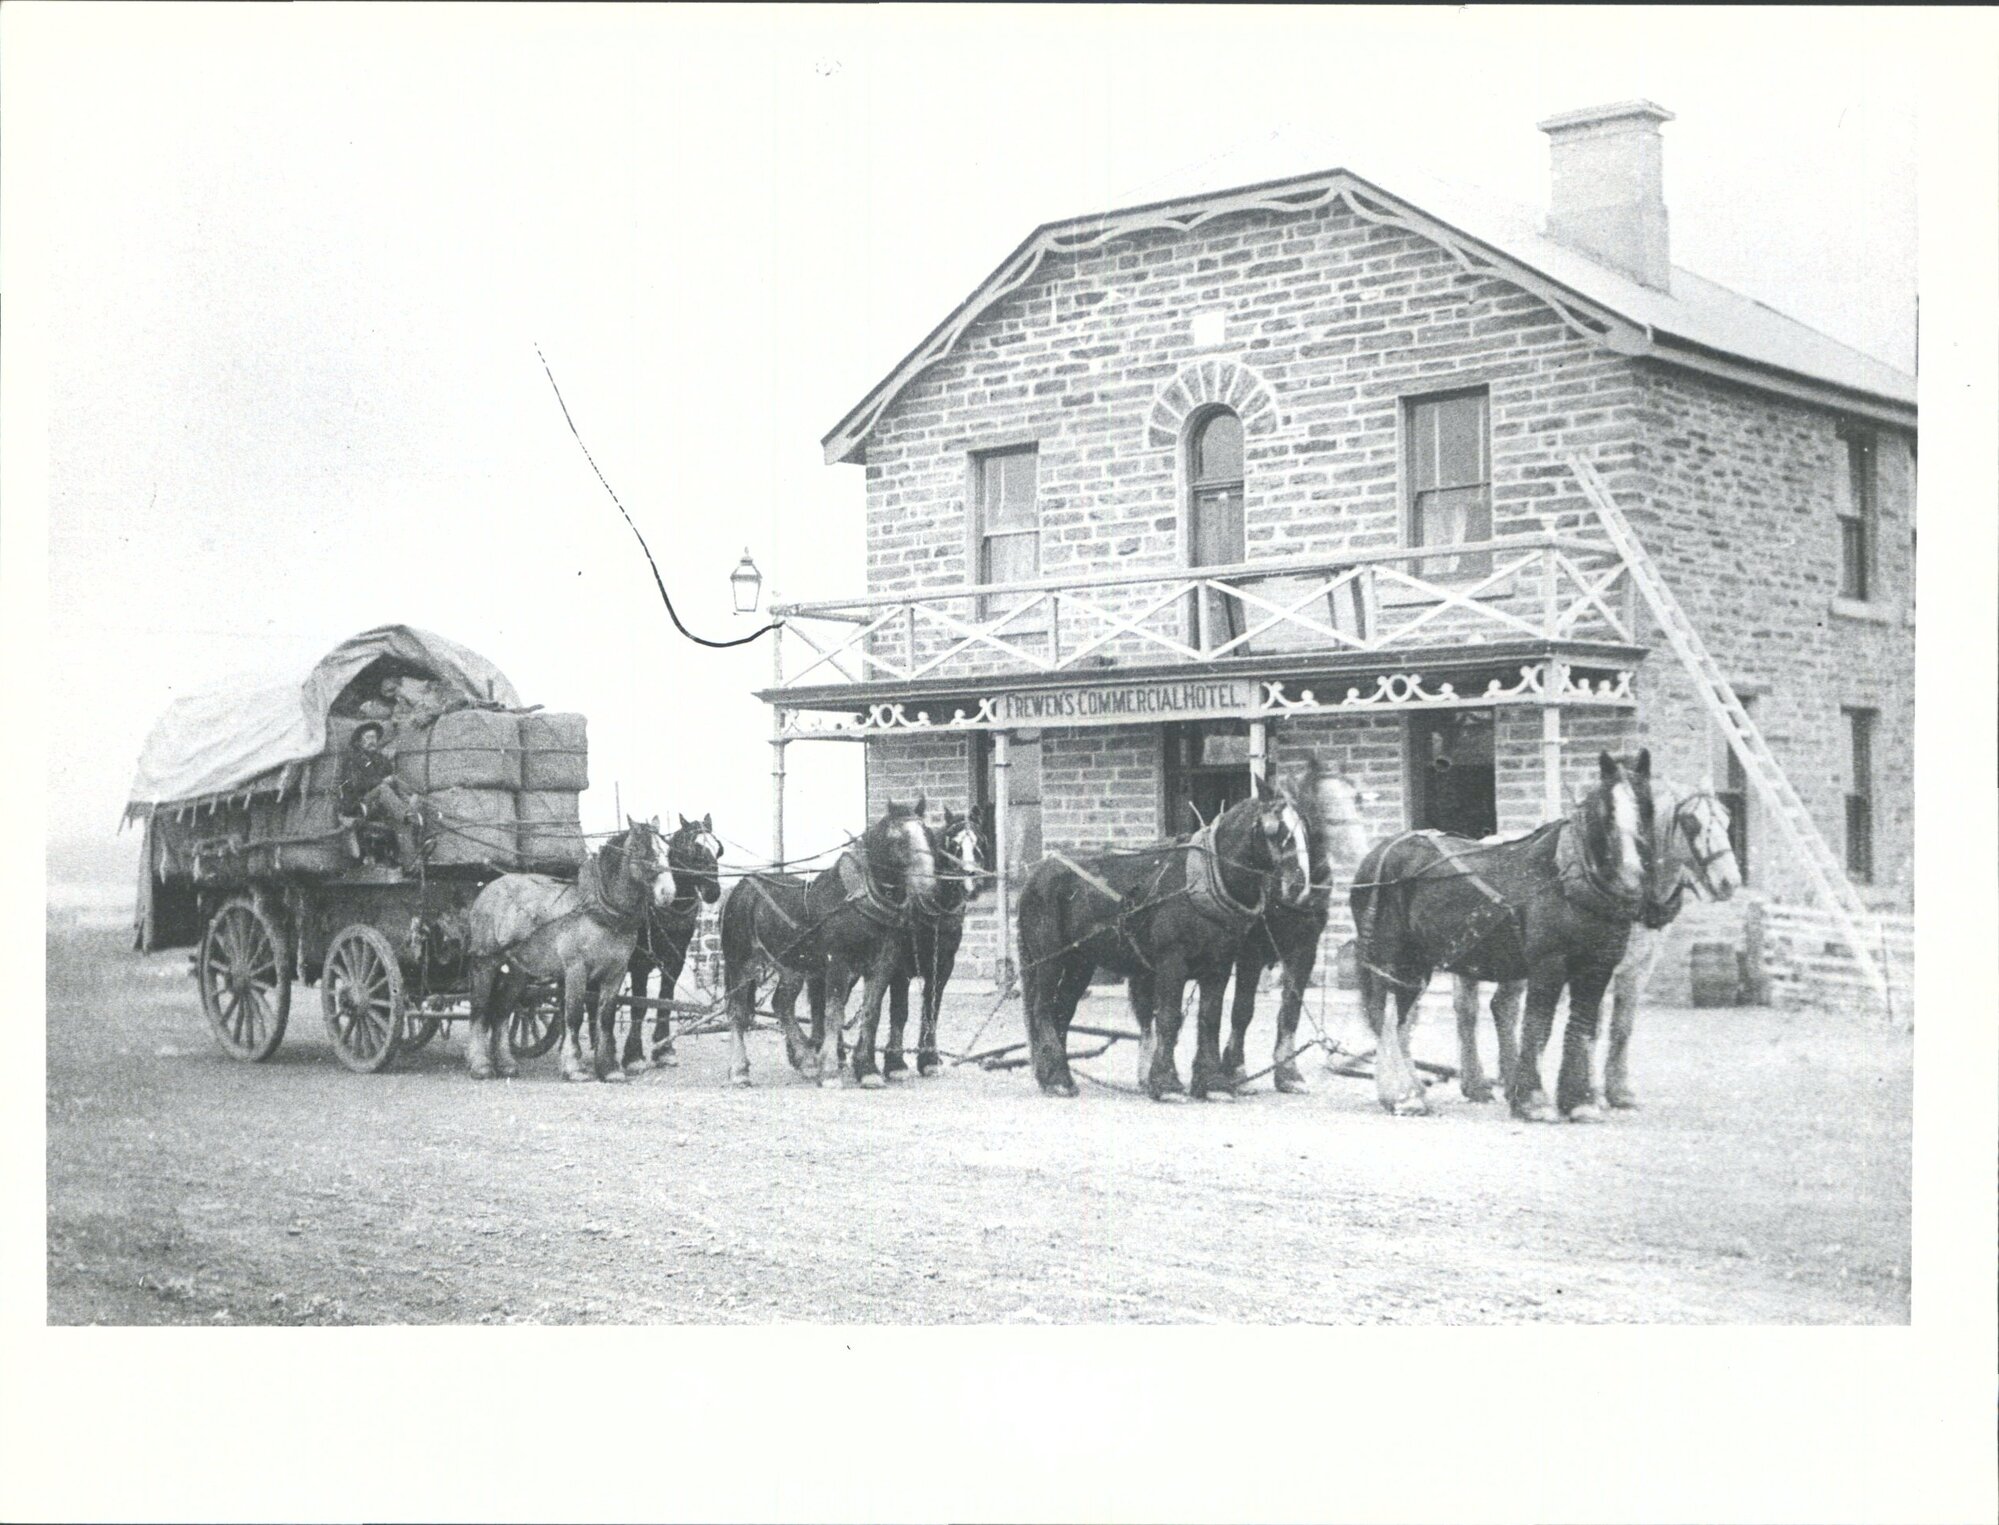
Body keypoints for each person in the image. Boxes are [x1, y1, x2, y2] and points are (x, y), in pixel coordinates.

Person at [337, 723, 424, 868]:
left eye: (375, 737)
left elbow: (392, 780)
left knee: (403, 812)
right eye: (368, 737)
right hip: (360, 804)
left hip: (382, 805)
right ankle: (407, 813)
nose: (372, 740)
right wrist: (381, 781)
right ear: (360, 740)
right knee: (383, 788)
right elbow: (354, 784)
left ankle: (411, 862)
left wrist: (410, 794)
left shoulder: (381, 760)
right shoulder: (353, 759)